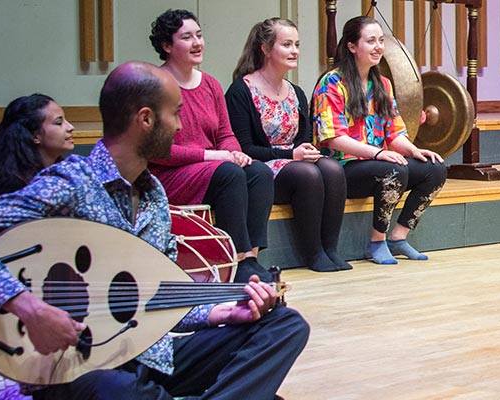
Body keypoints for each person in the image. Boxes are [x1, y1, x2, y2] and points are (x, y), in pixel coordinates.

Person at [0, 61, 309, 399]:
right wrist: (30, 309)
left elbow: (158, 300)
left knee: (283, 324)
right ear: (145, 119)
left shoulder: (155, 195)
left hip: (149, 356)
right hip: (82, 369)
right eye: (175, 113)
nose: (180, 125)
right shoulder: (73, 181)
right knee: (116, 389)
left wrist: (226, 312)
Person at [146, 9, 276, 281]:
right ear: (167, 46)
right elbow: (159, 151)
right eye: (187, 37)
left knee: (259, 172)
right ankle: (236, 260)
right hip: (170, 174)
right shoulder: (155, 86)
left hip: (211, 168)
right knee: (228, 173)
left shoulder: (211, 85)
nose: (197, 43)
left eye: (199, 35)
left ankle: (251, 257)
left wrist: (235, 153)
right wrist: (216, 156)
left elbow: (225, 133)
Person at [314, 16, 447, 265]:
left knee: (435, 168)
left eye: (381, 40)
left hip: (378, 163)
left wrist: (415, 150)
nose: (378, 47)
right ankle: (377, 241)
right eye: (371, 40)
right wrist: (377, 153)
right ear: (352, 46)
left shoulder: (383, 84)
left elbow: (394, 133)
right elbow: (332, 138)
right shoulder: (331, 82)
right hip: (343, 169)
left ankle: (398, 237)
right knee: (393, 169)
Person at [0, 94, 76, 354]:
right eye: (59, 122)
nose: (70, 127)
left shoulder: (67, 179)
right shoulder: (20, 191)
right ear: (35, 137)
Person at [228, 18, 350, 272]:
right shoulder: (241, 91)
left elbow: (303, 139)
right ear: (265, 49)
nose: (294, 50)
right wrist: (290, 154)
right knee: (306, 173)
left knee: (332, 169)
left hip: (293, 160)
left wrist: (305, 151)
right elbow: (244, 148)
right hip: (264, 169)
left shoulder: (295, 91)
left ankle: (330, 249)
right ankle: (313, 253)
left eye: (296, 44)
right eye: (286, 44)